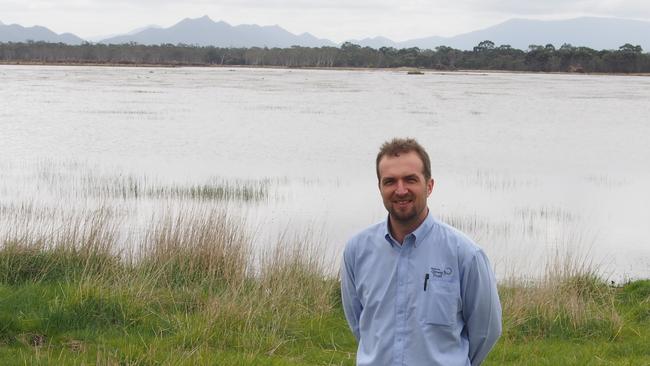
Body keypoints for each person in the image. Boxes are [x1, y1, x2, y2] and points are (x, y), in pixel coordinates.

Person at [341, 137, 502, 366]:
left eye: (410, 179)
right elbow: (361, 326)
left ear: (429, 185)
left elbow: (486, 331)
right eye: (390, 181)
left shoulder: (465, 255)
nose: (400, 190)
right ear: (380, 188)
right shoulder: (356, 251)